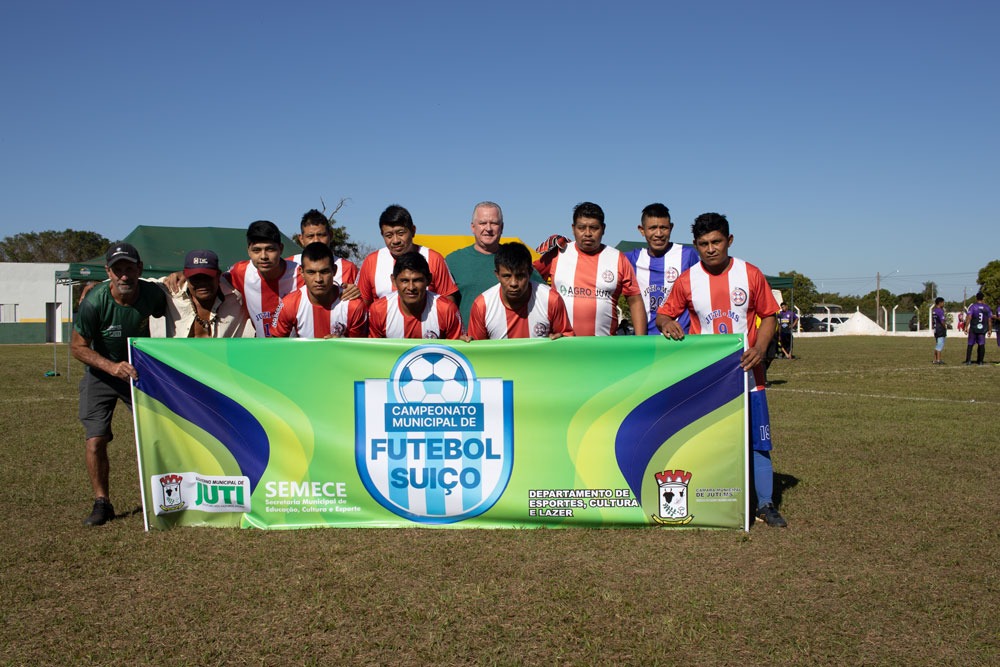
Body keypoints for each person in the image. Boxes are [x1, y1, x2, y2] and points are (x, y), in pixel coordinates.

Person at [656, 213, 787, 528]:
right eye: (703, 244)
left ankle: (765, 505)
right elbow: (663, 315)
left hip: (748, 376)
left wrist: (760, 348)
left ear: (729, 241)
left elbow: (770, 315)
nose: (710, 249)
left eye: (716, 242)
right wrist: (667, 323)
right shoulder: (687, 280)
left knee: (758, 441)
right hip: (708, 381)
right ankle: (704, 499)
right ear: (696, 246)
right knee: (702, 440)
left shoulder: (750, 274)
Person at [72, 242, 168, 526]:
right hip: (102, 373)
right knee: (95, 439)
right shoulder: (94, 302)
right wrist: (112, 367)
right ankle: (102, 502)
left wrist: (178, 277)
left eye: (129, 268)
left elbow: (176, 308)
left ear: (139, 269)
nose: (124, 276)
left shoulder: (152, 294)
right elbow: (77, 347)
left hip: (139, 373)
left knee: (159, 433)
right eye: (117, 270)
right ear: (108, 272)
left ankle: (167, 494)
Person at [533, 202, 646, 336]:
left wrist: (641, 343)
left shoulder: (618, 258)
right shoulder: (557, 253)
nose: (587, 233)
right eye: (582, 228)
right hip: (561, 345)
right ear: (573, 228)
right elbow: (527, 281)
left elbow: (635, 301)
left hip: (604, 349)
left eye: (594, 228)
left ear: (603, 228)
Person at [445, 201, 543, 327]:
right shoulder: (454, 261)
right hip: (469, 343)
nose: (489, 228)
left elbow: (544, 294)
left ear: (502, 227)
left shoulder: (517, 260)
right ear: (473, 227)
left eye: (494, 223)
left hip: (509, 340)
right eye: (482, 223)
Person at [466, 242, 573, 340]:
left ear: (530, 273)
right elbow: (476, 353)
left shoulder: (551, 299)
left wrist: (562, 340)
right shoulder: (482, 305)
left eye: (520, 276)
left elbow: (568, 341)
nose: (514, 283)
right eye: (507, 276)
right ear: (497, 275)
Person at [357, 205, 459, 305]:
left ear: (413, 231)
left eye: (401, 233)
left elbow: (448, 302)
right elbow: (362, 305)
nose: (395, 240)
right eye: (389, 235)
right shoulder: (371, 261)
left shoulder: (434, 259)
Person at [623, 203, 699, 335]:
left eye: (663, 228)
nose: (658, 233)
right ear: (642, 230)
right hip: (645, 340)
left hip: (680, 340)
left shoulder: (687, 255)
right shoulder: (631, 258)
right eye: (652, 228)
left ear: (671, 228)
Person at [272, 242, 368, 338]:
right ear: (301, 272)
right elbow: (275, 345)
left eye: (324, 272)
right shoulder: (289, 304)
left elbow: (360, 349)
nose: (318, 279)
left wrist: (341, 343)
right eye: (311, 272)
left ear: (334, 270)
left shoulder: (354, 306)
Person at [226, 220, 300, 338]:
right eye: (257, 250)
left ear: (281, 249)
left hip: (298, 350)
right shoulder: (240, 272)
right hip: (262, 350)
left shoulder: (301, 273)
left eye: (270, 249)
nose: (264, 256)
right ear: (249, 251)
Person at [154, 250, 252, 338]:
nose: (202, 283)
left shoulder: (238, 295)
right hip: (176, 358)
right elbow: (141, 284)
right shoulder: (171, 290)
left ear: (218, 275)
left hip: (223, 358)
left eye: (207, 277)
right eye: (195, 277)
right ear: (186, 276)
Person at [367, 251, 462, 339]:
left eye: (417, 280)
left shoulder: (446, 310)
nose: (411, 287)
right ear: (394, 281)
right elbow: (373, 352)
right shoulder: (379, 310)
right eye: (404, 281)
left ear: (428, 280)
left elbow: (458, 351)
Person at [288, 209, 360, 286]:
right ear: (301, 239)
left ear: (331, 235)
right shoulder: (289, 266)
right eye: (310, 236)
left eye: (321, 235)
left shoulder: (348, 269)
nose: (316, 240)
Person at [963, 292, 993, 365]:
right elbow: (989, 320)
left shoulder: (973, 307)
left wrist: (966, 327)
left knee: (970, 344)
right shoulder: (987, 307)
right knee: (981, 344)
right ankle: (980, 361)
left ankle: (968, 360)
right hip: (982, 329)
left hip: (973, 328)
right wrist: (990, 329)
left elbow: (969, 317)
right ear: (983, 298)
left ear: (976, 298)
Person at [931, 297, 947, 364]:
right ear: (940, 303)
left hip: (936, 329)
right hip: (940, 329)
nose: (943, 304)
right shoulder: (940, 311)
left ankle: (935, 359)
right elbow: (942, 321)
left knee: (937, 344)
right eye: (943, 302)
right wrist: (945, 327)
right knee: (940, 345)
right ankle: (938, 360)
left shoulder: (934, 310)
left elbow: (933, 321)